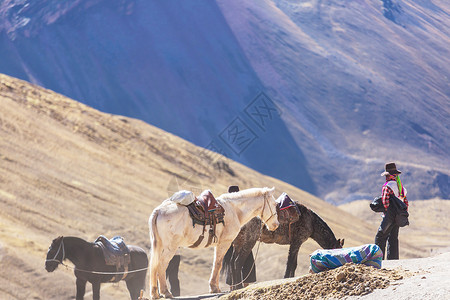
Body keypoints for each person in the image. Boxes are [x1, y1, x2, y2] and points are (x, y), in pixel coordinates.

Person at [374, 162, 408, 260]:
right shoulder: (401, 188)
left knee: (380, 236)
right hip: (398, 216)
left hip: (390, 215)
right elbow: (405, 202)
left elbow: (385, 202)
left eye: (387, 175)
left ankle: (377, 259)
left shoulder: (387, 186)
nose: (386, 177)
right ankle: (393, 260)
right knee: (393, 238)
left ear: (389, 176)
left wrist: (386, 213)